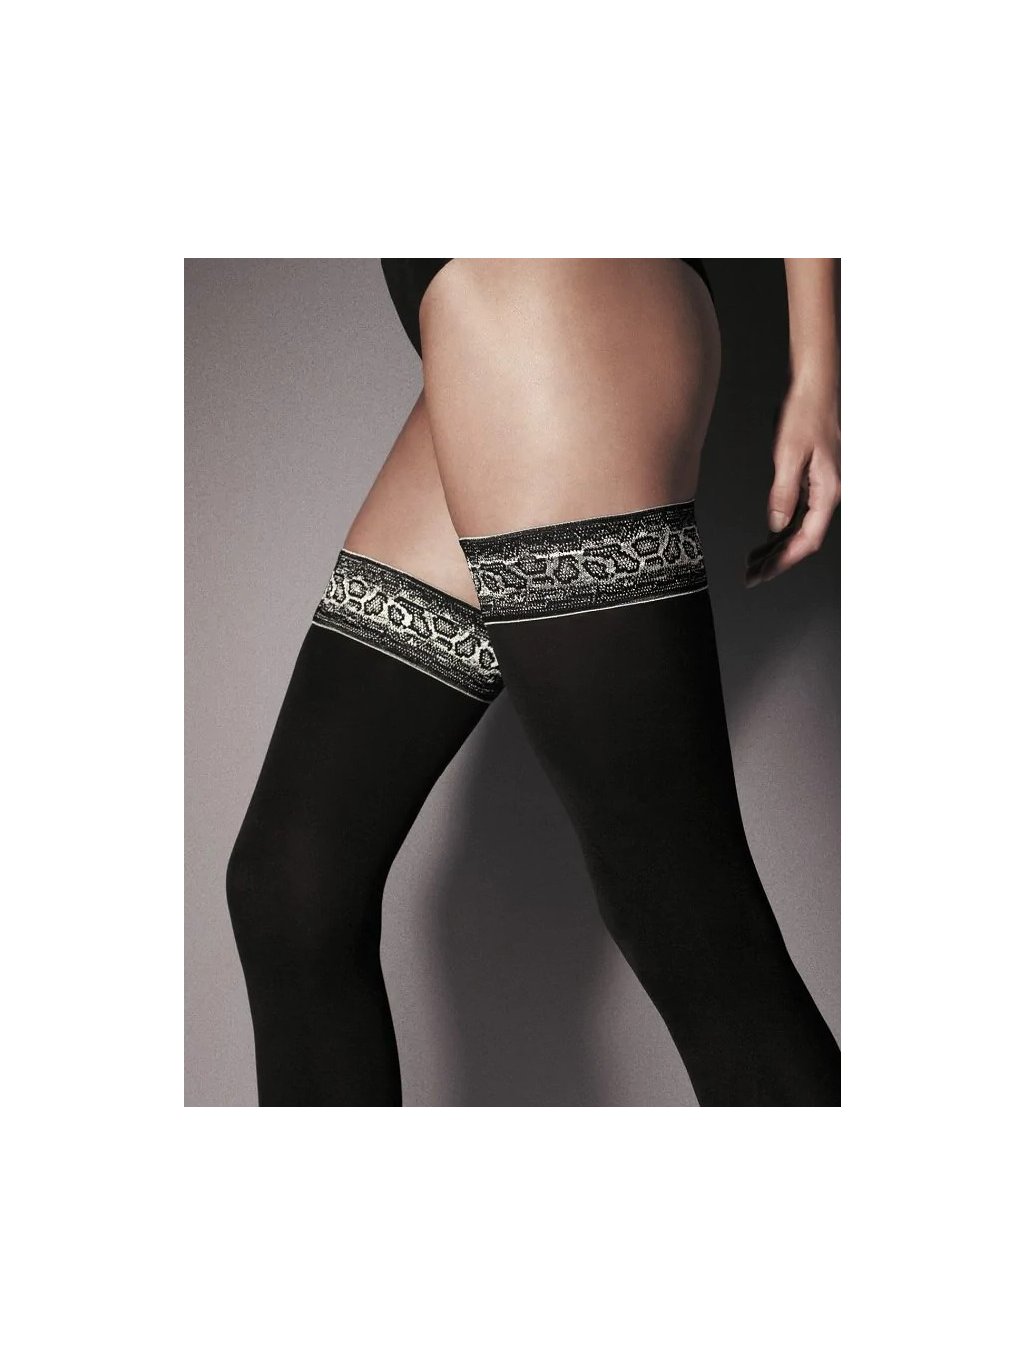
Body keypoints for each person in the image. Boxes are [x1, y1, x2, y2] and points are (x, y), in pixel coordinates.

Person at [226, 258, 842, 1106]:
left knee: (682, 912)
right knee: (293, 884)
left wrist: (817, 374)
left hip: (543, 298)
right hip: (488, 332)